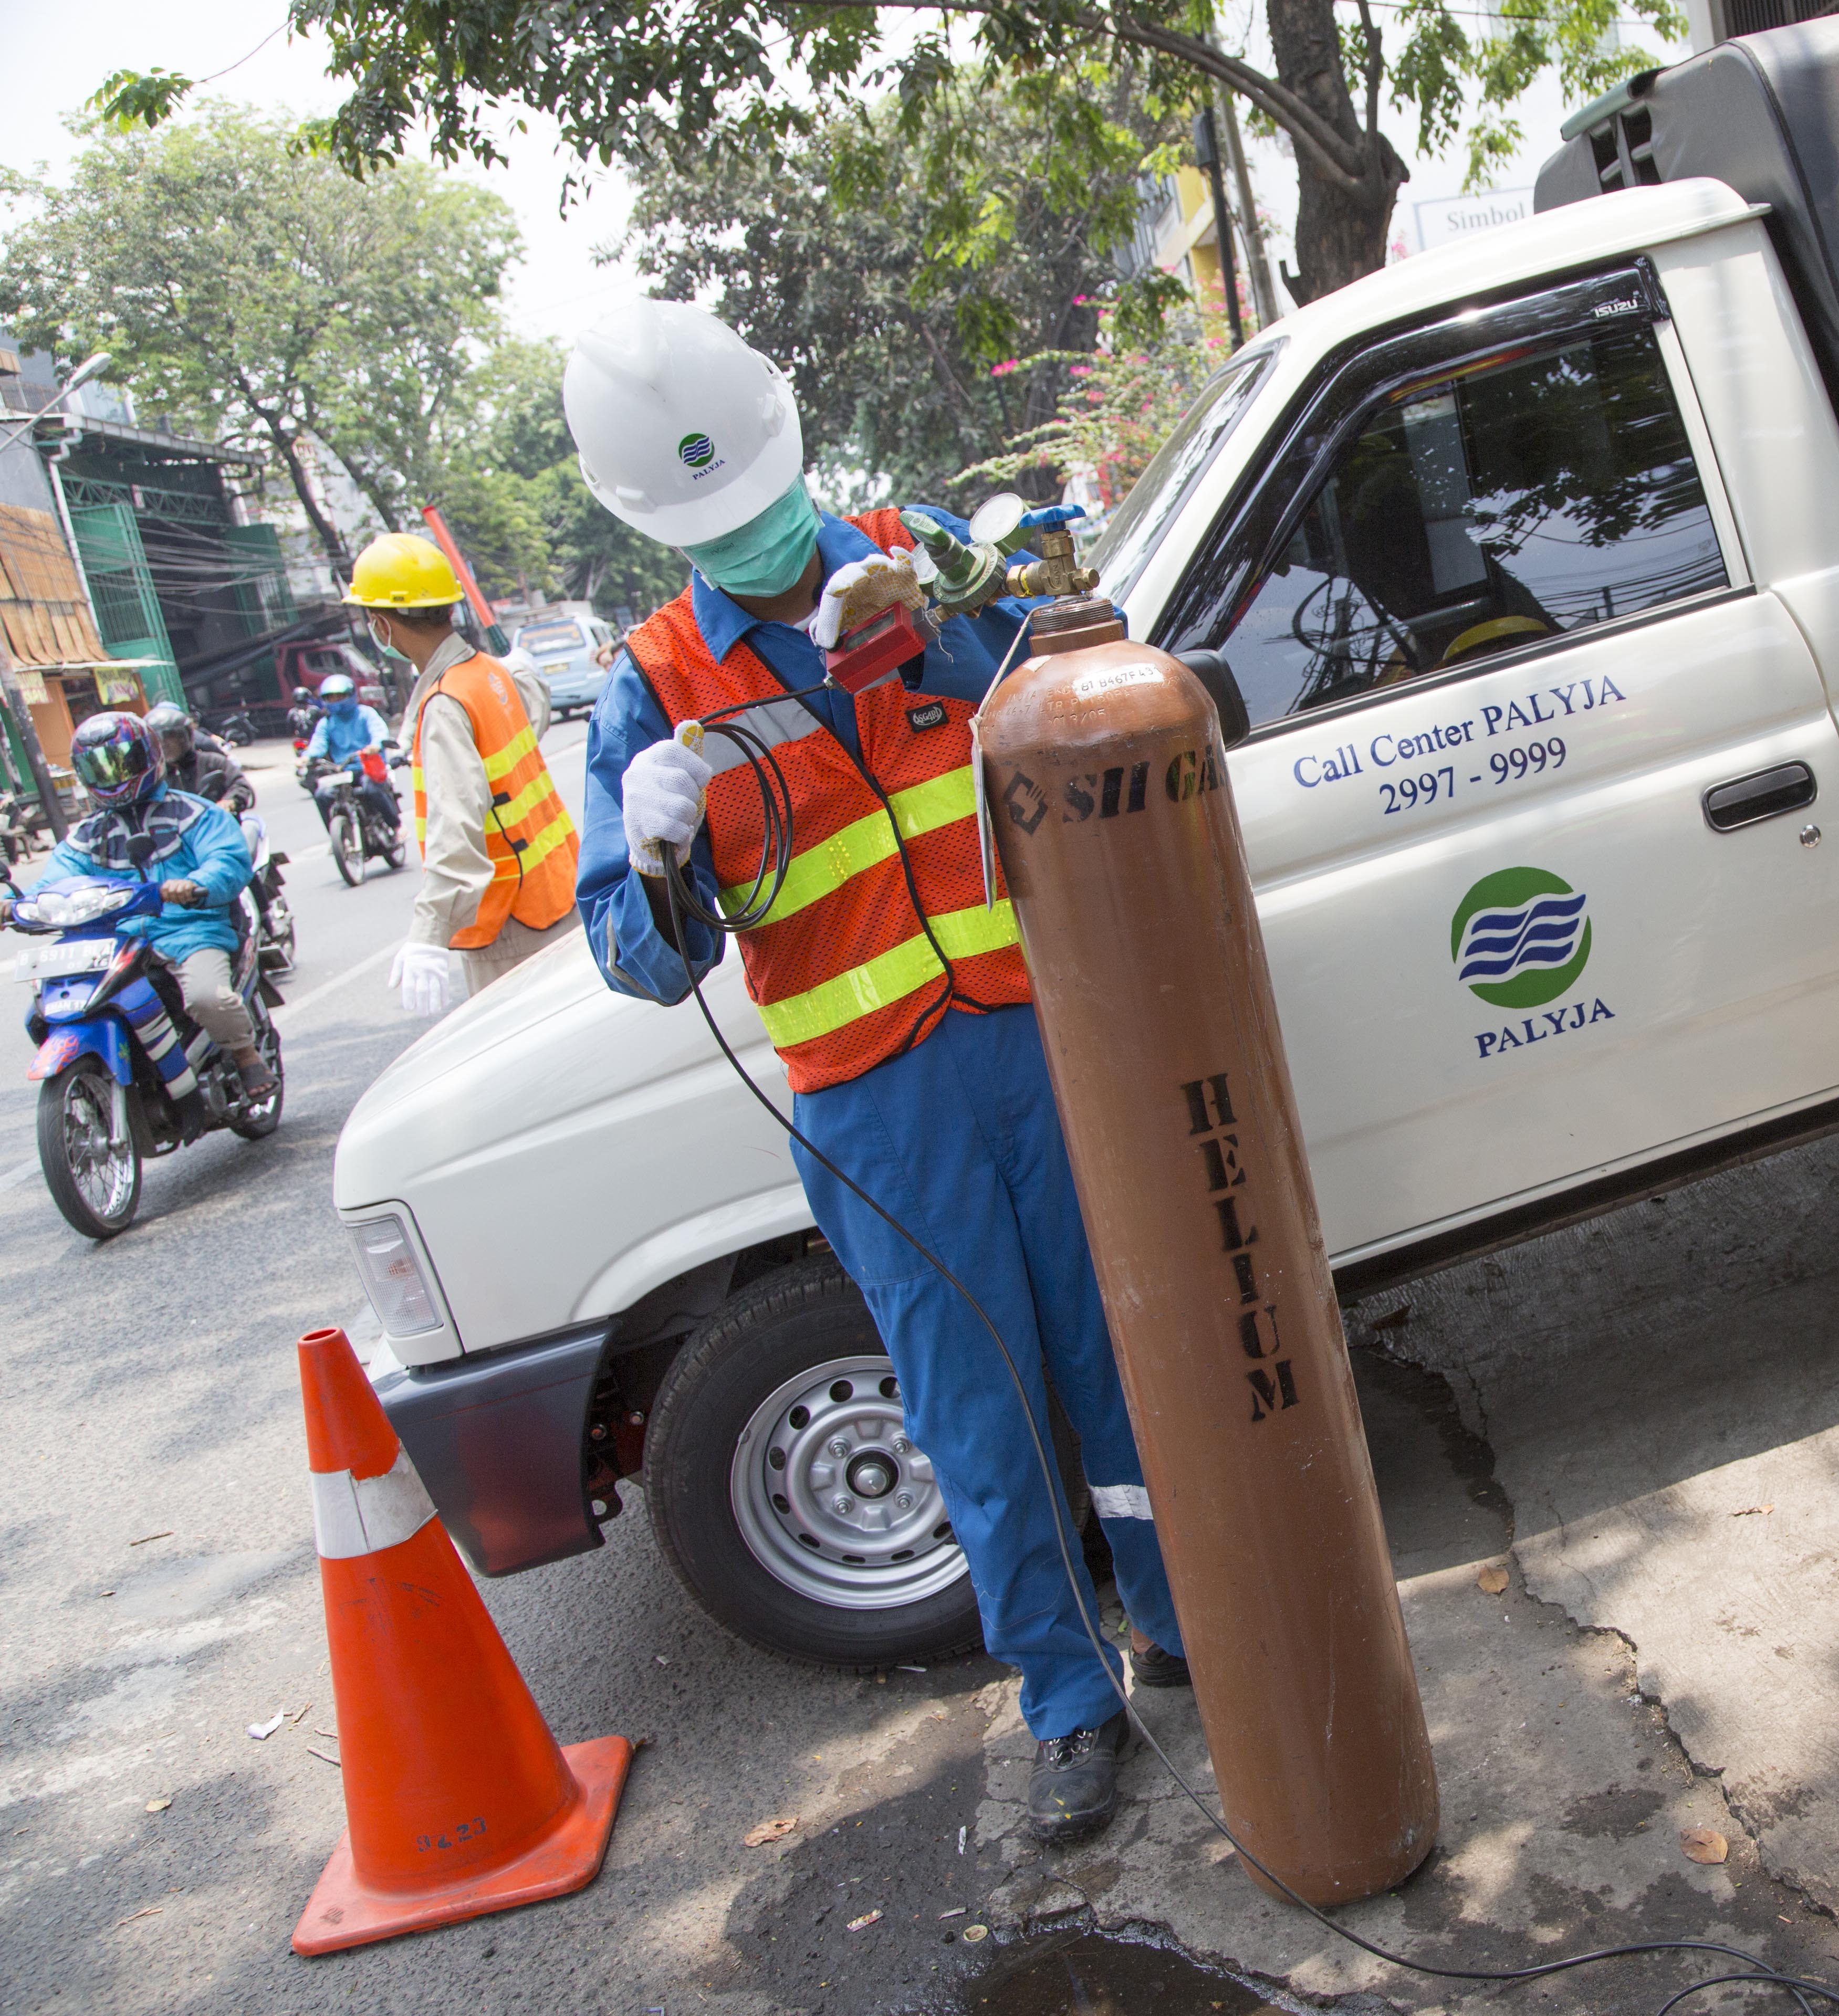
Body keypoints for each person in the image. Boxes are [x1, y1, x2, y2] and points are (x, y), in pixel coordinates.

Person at [560, 300, 1183, 1844]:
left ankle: (1184, 1614)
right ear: (662, 525)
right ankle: (1066, 1698)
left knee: (1123, 1354)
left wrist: (973, 598)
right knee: (978, 1410)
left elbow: (1095, 667)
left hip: (1044, 1038)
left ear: (795, 449)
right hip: (874, 1108)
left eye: (773, 496)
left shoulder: (921, 560)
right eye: (728, 526)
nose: (768, 541)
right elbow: (643, 965)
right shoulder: (655, 687)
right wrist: (655, 852)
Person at [338, 534, 582, 1016]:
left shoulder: (446, 703)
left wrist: (429, 934)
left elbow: (457, 829)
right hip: (557, 896)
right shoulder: (488, 674)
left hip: (511, 922)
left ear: (383, 625)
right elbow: (529, 721)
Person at [38, 712, 273, 1097]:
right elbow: (55, 880)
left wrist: (195, 884)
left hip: (190, 930)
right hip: (117, 942)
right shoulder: (87, 834)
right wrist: (14, 903)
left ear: (148, 756)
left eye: (121, 761)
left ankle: (246, 1056)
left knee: (206, 996)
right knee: (51, 1008)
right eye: (97, 767)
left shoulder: (195, 812)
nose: (111, 775)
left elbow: (227, 861)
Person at [300, 673, 399, 838]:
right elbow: (318, 743)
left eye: (340, 696)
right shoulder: (327, 723)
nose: (336, 701)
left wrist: (375, 745)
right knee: (322, 794)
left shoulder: (366, 714)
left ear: (351, 695)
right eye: (331, 698)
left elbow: (379, 731)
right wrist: (308, 757)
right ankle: (338, 837)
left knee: (371, 789)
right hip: (343, 771)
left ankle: (396, 826)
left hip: (368, 768)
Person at [144, 704, 250, 812]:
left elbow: (240, 785)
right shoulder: (153, 776)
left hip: (215, 825)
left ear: (185, 737)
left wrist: (229, 802)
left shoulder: (213, 762)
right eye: (157, 740)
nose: (164, 744)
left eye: (170, 737)